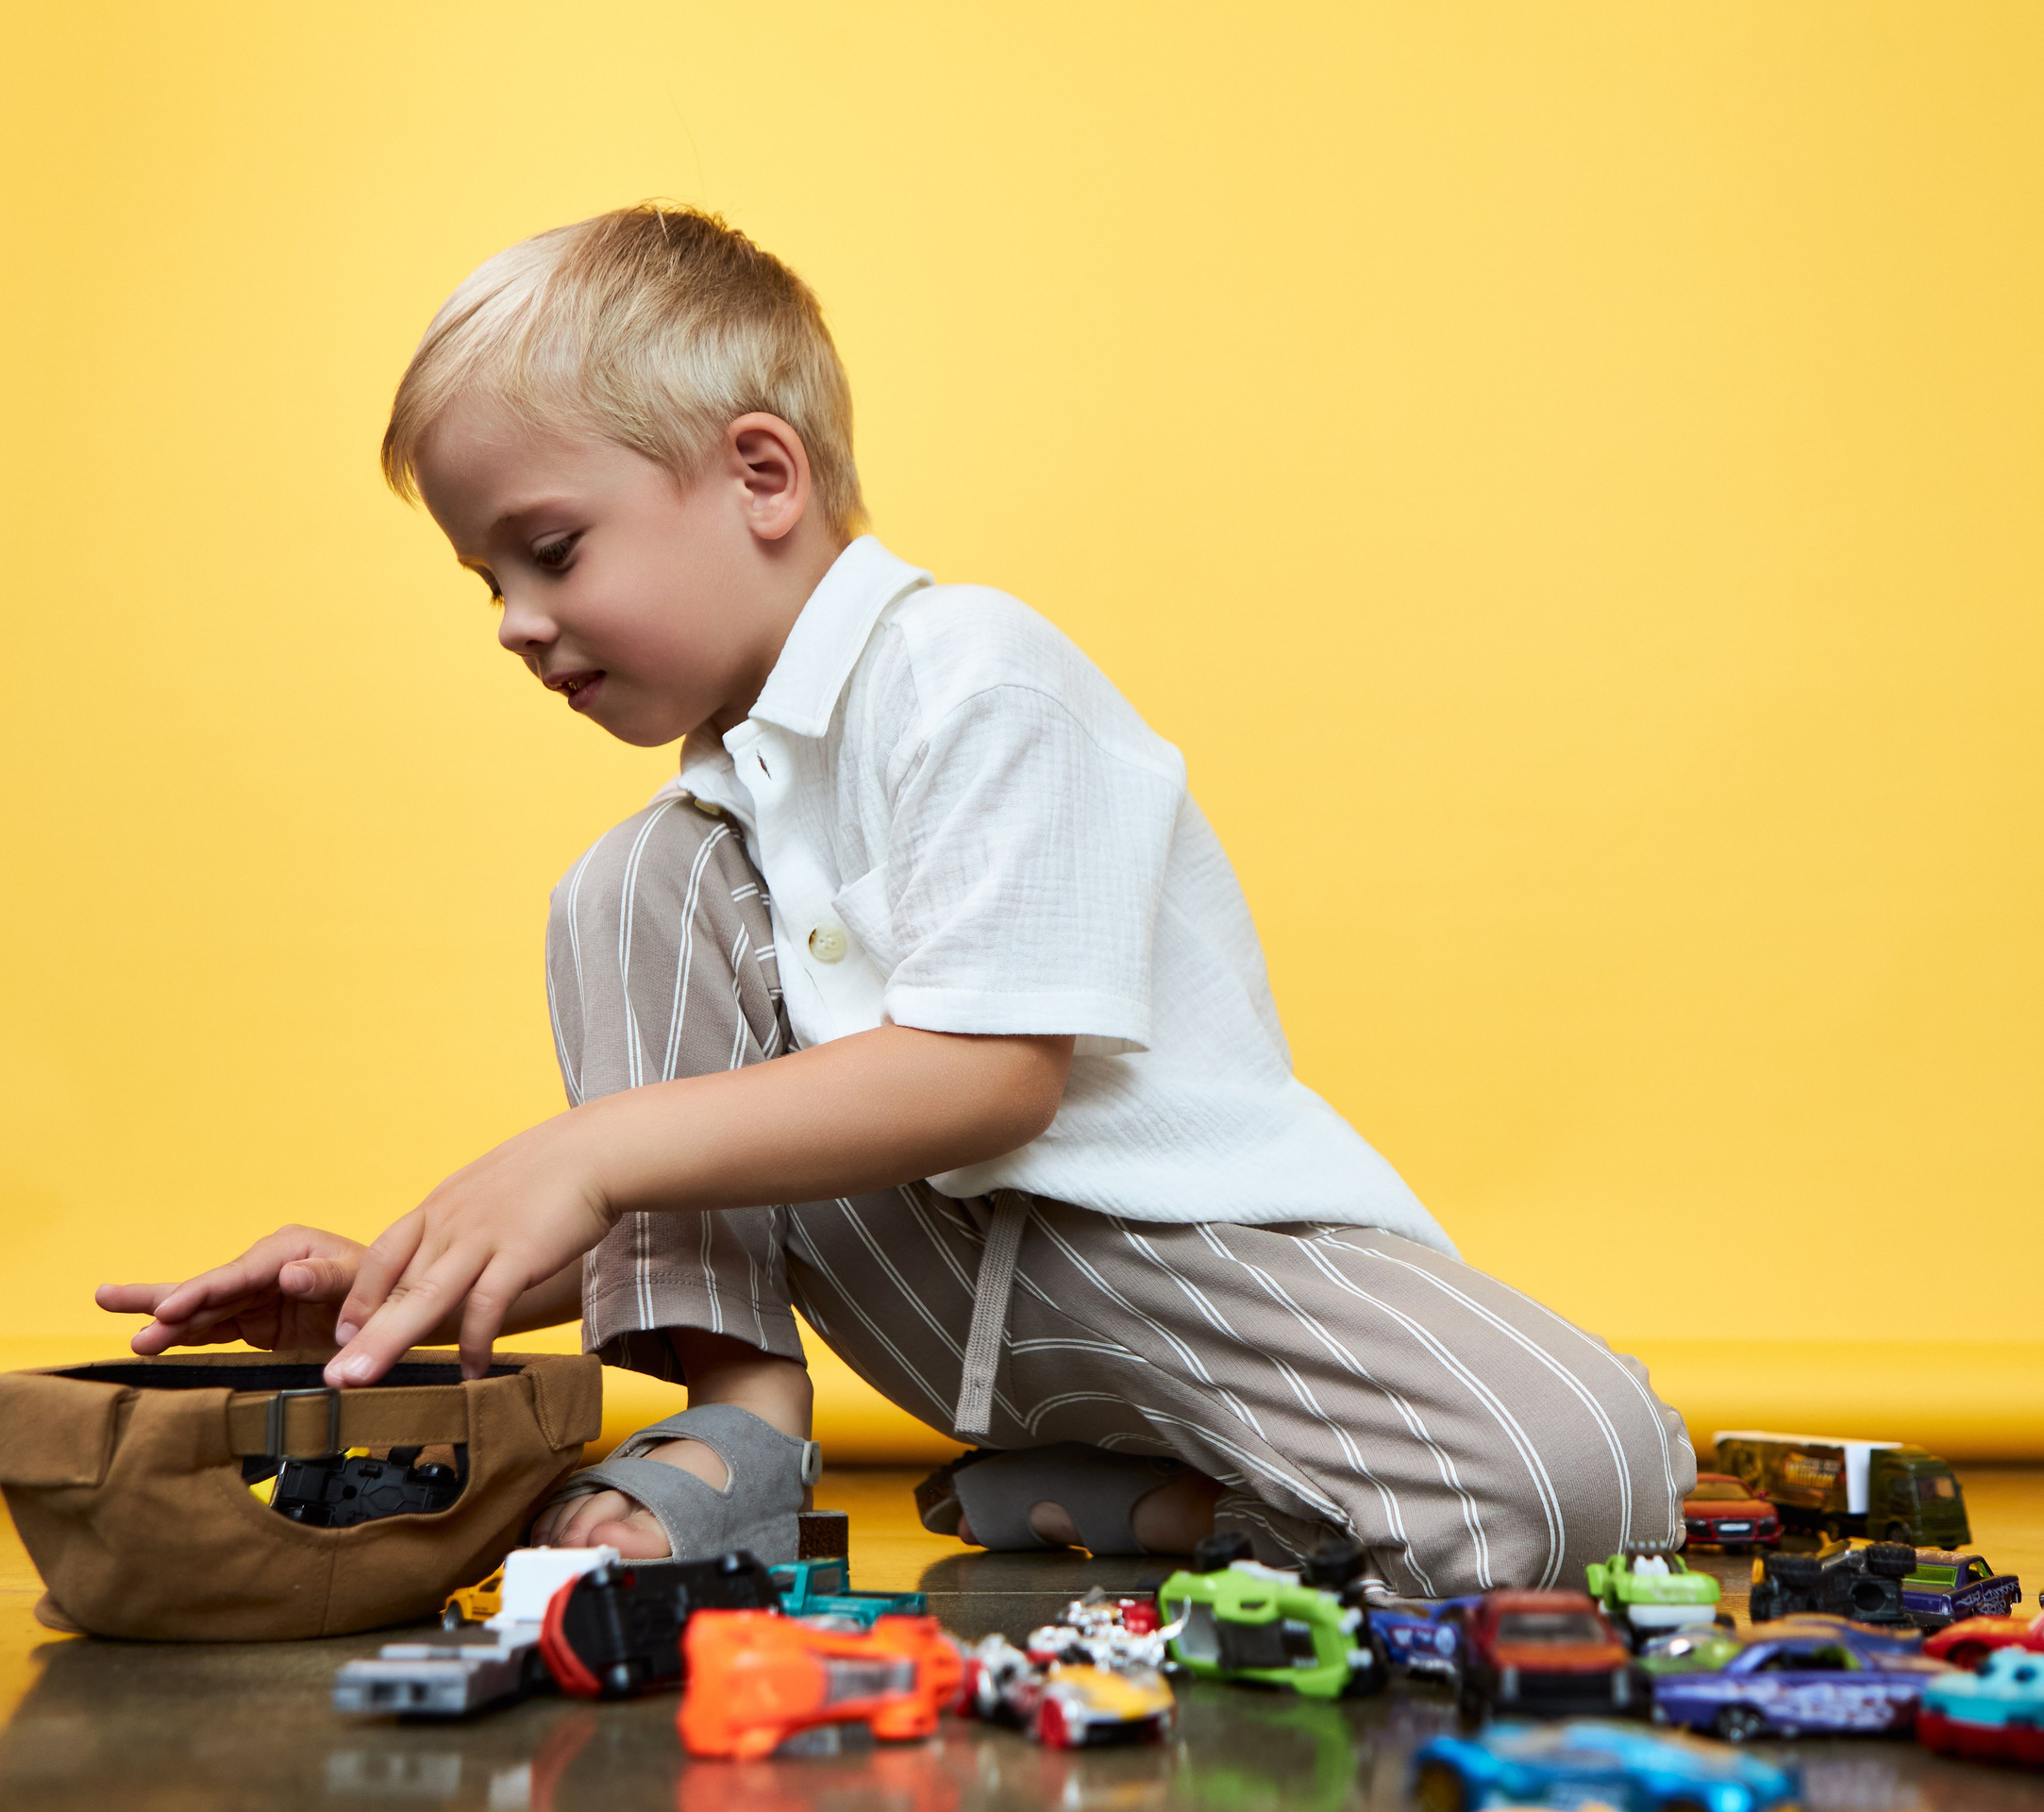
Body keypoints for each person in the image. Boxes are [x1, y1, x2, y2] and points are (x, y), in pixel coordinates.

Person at [97, 205, 1693, 1596]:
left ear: (762, 476)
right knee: (635, 877)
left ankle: (1153, 1504)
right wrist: (400, 1287)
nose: (516, 622)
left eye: (553, 551)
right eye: (488, 584)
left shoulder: (975, 673)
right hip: (936, 1297)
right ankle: (739, 1433)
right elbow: (710, 1198)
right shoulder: (711, 838)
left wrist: (580, 1153)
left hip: (1192, 1263)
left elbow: (991, 1079)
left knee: (1588, 1481)